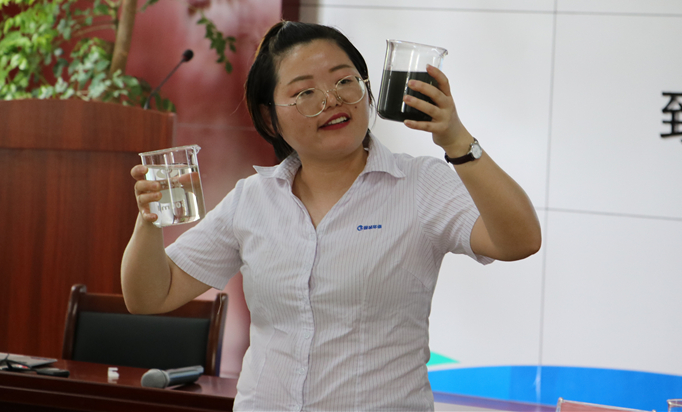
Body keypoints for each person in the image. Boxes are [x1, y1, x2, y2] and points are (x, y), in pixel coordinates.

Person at [121, 21, 542, 411]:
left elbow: (520, 240)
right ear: (269, 117)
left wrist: (457, 141)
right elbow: (150, 296)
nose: (331, 99)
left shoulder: (418, 184)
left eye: (344, 81)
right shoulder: (252, 199)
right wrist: (148, 221)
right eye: (305, 92)